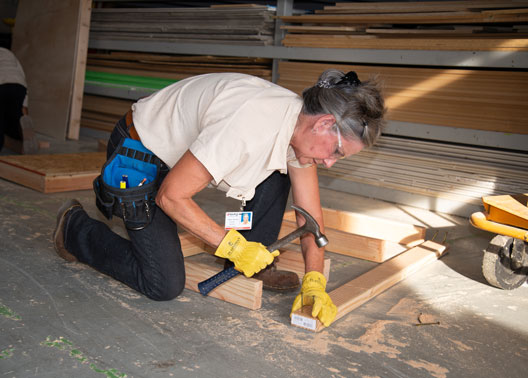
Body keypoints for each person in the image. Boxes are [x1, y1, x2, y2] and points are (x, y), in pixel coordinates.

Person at [53, 69, 386, 327]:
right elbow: (171, 196)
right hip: (144, 153)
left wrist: (315, 280)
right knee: (162, 283)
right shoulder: (250, 123)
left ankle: (250, 262)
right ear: (325, 123)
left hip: (187, 159)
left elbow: (309, 217)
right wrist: (232, 246)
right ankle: (74, 228)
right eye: (337, 151)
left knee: (280, 174)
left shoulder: (298, 129)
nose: (329, 162)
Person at [0, 47, 29, 152]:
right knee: (16, 117)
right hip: (19, 86)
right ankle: (23, 139)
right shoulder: (9, 54)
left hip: (1, 83)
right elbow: (22, 75)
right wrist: (25, 115)